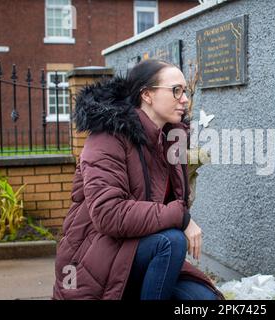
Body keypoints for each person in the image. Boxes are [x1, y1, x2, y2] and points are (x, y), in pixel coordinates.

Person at [53, 59, 224, 300]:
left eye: (185, 91)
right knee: (172, 241)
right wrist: (181, 217)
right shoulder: (107, 138)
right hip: (96, 258)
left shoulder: (169, 139)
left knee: (206, 300)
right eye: (176, 90)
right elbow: (108, 214)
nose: (184, 99)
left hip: (140, 252)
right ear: (147, 95)